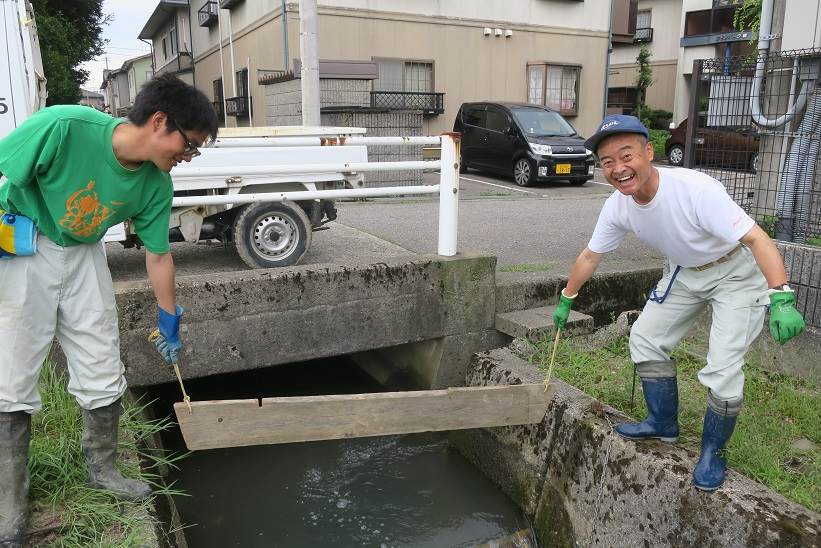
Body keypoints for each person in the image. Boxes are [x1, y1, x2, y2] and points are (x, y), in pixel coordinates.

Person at [0, 74, 218, 546]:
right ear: (159, 121)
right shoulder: (65, 126)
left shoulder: (156, 184)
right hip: (22, 243)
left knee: (101, 361)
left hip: (83, 255)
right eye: (189, 145)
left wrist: (169, 317)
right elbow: (4, 170)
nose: (187, 156)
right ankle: (10, 502)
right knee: (12, 375)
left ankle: (103, 470)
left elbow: (158, 254)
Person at [552, 115, 805, 491]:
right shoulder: (619, 206)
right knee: (645, 337)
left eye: (627, 156)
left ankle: (713, 451)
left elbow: (757, 239)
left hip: (735, 270)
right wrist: (566, 298)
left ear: (648, 152)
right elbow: (591, 256)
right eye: (607, 162)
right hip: (686, 271)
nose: (619, 169)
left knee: (722, 366)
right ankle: (663, 423)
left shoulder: (694, 190)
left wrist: (780, 295)